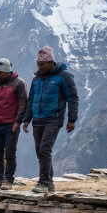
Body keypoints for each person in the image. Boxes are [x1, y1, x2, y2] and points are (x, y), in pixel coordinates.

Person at [23, 46, 79, 194]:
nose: (39, 67)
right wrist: (27, 118)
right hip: (37, 120)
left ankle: (42, 183)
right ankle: (50, 183)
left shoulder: (63, 76)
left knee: (44, 150)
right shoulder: (36, 79)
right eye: (38, 65)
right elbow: (31, 100)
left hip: (53, 119)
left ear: (51, 62)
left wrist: (71, 119)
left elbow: (72, 98)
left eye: (42, 65)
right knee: (40, 151)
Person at [0, 58, 28, 191]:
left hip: (11, 124)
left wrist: (18, 121)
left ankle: (8, 180)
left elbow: (23, 103)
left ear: (8, 71)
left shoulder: (19, 83)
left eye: (1, 72)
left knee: (10, 152)